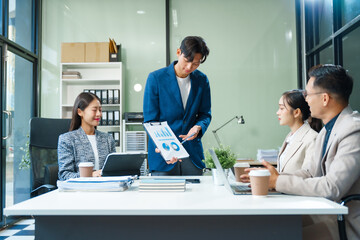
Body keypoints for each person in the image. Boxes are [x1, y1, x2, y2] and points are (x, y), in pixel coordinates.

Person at [242, 64, 360, 239]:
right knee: (268, 226)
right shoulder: (326, 131)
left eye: (308, 95)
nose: (306, 100)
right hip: (325, 212)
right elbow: (309, 172)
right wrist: (272, 178)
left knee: (278, 234)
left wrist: (278, 182)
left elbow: (332, 187)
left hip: (345, 222)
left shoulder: (353, 129)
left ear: (325, 98)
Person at [143, 36, 211, 176]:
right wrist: (164, 146)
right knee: (164, 197)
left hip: (192, 156)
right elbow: (150, 120)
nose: (189, 67)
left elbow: (205, 114)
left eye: (196, 64)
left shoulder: (202, 80)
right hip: (163, 157)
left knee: (197, 197)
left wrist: (198, 127)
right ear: (179, 52)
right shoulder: (156, 78)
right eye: (187, 61)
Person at [58, 92, 116, 180]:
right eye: (94, 110)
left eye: (100, 110)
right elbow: (64, 175)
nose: (99, 114)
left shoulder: (108, 138)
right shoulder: (67, 139)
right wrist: (90, 175)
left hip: (105, 188)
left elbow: (113, 170)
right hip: (80, 191)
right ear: (80, 112)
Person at [276, 89, 321, 173]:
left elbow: (308, 175)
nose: (277, 112)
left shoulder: (312, 138)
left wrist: (277, 178)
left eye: (282, 108)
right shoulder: (290, 136)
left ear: (296, 112)